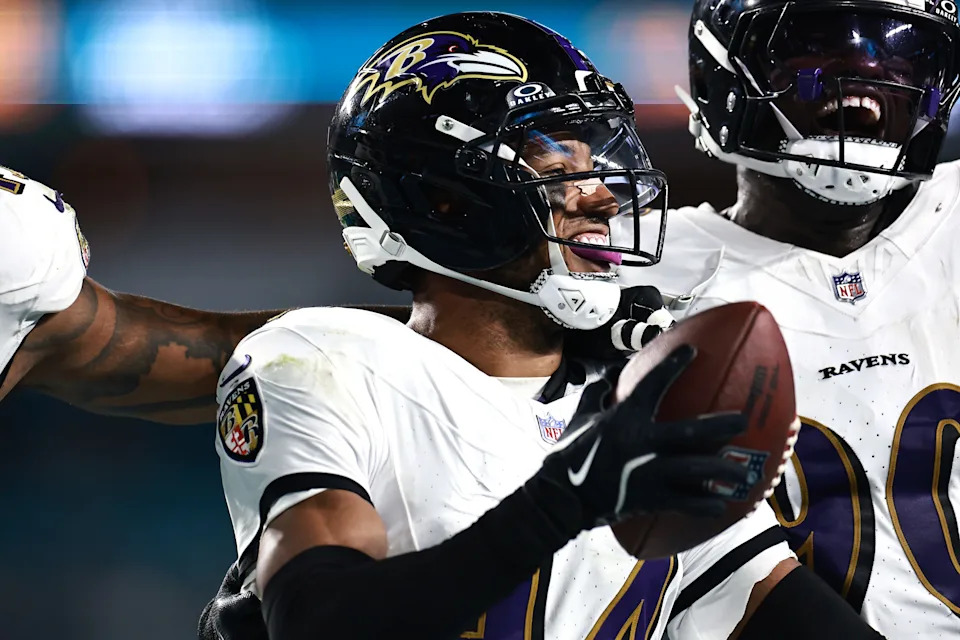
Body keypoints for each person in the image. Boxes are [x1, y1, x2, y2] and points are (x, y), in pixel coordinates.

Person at [206, 12, 882, 640]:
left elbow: (781, 607)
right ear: (444, 203)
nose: (602, 197)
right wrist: (570, 495)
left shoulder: (637, 395)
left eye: (595, 170)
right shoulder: (325, 361)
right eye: (557, 173)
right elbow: (320, 621)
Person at [617, 0, 960, 636]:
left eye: (898, 54)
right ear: (726, 75)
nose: (862, 79)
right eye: (817, 48)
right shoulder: (627, 280)